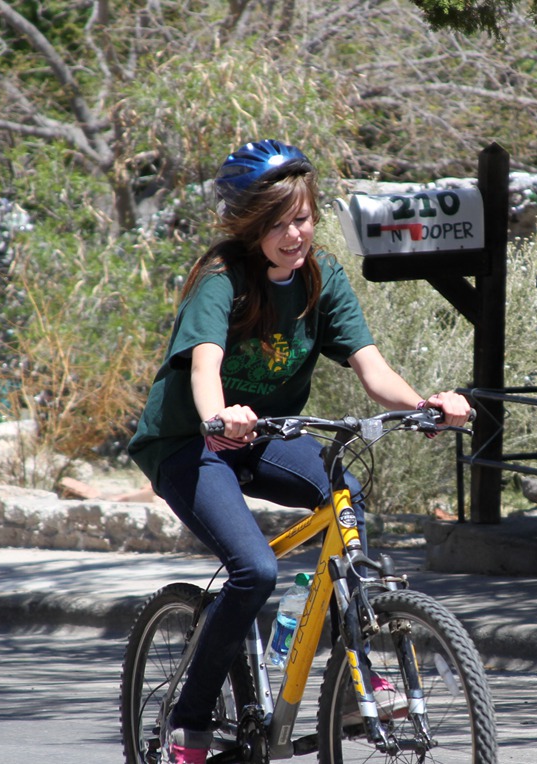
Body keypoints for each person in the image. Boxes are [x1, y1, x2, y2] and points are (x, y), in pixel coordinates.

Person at [127, 139, 471, 764]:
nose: (294, 235)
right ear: (251, 226)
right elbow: (206, 365)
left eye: (303, 219)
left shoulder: (322, 278)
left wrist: (425, 405)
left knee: (344, 499)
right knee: (254, 571)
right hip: (190, 443)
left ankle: (347, 681)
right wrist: (217, 415)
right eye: (277, 223)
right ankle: (190, 721)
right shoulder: (221, 280)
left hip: (266, 437)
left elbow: (372, 370)